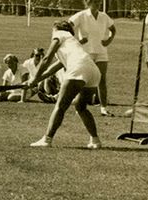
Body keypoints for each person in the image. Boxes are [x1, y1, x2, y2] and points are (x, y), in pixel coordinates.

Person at [26, 21, 102, 149]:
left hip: (79, 68)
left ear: (57, 29)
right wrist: (34, 80)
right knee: (81, 106)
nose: (52, 33)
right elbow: (50, 70)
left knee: (60, 106)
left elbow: (46, 59)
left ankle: (47, 139)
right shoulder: (71, 43)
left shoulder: (60, 34)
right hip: (93, 71)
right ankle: (95, 141)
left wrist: (34, 78)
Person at [68, 0, 116, 115]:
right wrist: (77, 41)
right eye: (95, 2)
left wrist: (109, 40)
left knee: (102, 79)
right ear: (88, 2)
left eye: (99, 2)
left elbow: (113, 29)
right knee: (84, 80)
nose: (98, 4)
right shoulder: (81, 15)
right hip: (86, 52)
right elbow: (67, 26)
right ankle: (80, 106)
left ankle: (103, 108)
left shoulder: (104, 16)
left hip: (101, 51)